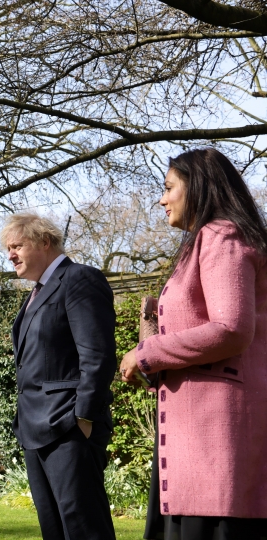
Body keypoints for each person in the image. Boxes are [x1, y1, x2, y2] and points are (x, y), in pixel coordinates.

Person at [120, 148, 267, 540]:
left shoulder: (223, 236)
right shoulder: (205, 241)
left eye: (169, 187)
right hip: (196, 439)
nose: (162, 198)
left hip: (215, 439)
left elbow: (232, 328)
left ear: (199, 187)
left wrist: (146, 354)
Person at [3, 213, 116, 540]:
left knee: (83, 528)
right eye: (8, 248)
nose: (10, 255)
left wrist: (83, 416)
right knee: (54, 529)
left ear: (45, 242)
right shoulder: (35, 295)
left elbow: (97, 355)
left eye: (17, 246)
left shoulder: (79, 279)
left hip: (69, 427)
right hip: (34, 430)